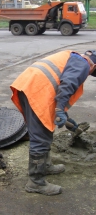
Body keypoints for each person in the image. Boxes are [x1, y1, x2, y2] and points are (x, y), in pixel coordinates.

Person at [10, 50, 96, 196]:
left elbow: (58, 85)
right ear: (94, 66)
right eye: (92, 74)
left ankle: (46, 166)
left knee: (46, 130)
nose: (88, 75)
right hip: (36, 91)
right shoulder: (84, 64)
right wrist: (60, 110)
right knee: (40, 137)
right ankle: (36, 182)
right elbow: (67, 84)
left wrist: (65, 117)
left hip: (32, 87)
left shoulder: (74, 57)